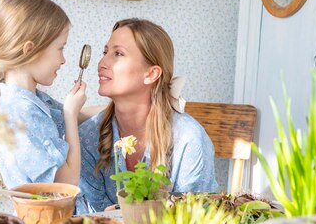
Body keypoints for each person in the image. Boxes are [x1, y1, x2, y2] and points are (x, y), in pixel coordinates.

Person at [78, 18, 218, 213]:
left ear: (151, 74)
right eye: (105, 52)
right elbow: (90, 216)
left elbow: (195, 218)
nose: (102, 63)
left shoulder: (188, 139)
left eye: (118, 54)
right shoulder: (87, 136)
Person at [0, 0, 87, 188]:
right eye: (60, 48)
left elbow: (80, 113)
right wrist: (70, 115)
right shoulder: (21, 114)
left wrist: (121, 107)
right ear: (30, 50)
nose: (63, 60)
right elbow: (67, 181)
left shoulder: (32, 100)